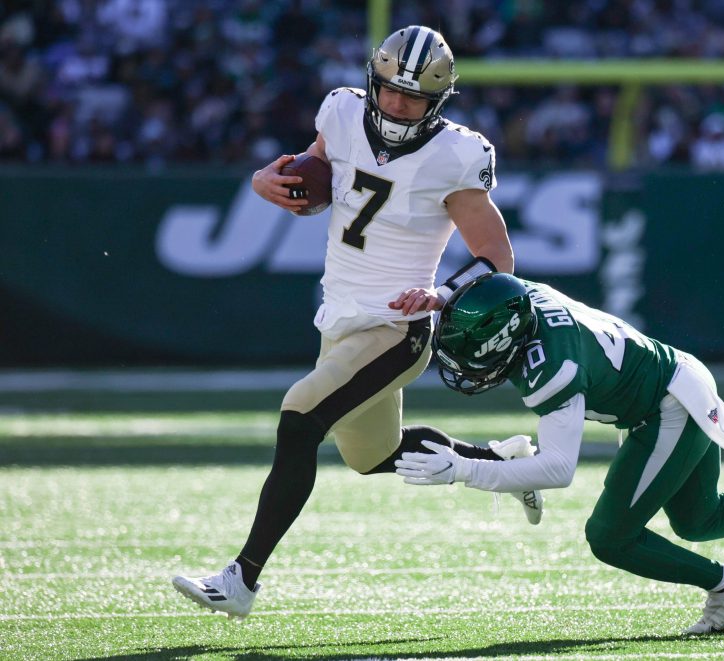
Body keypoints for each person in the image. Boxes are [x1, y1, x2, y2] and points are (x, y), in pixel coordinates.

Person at [172, 26, 543, 619]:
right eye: (390, 91)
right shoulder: (342, 112)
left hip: (397, 328)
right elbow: (313, 174)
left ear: (437, 101)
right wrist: (266, 182)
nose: (397, 105)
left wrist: (440, 292)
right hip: (341, 317)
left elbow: (498, 261)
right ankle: (507, 464)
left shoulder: (456, 155)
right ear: (373, 81)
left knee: (299, 416)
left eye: (413, 97)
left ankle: (241, 579)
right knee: (373, 456)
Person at [396, 273, 724, 635]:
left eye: (471, 353)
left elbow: (558, 468)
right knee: (699, 518)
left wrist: (465, 468)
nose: (464, 366)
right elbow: (494, 278)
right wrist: (444, 299)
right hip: (674, 379)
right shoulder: (524, 297)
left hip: (667, 406)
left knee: (608, 536)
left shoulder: (554, 364)